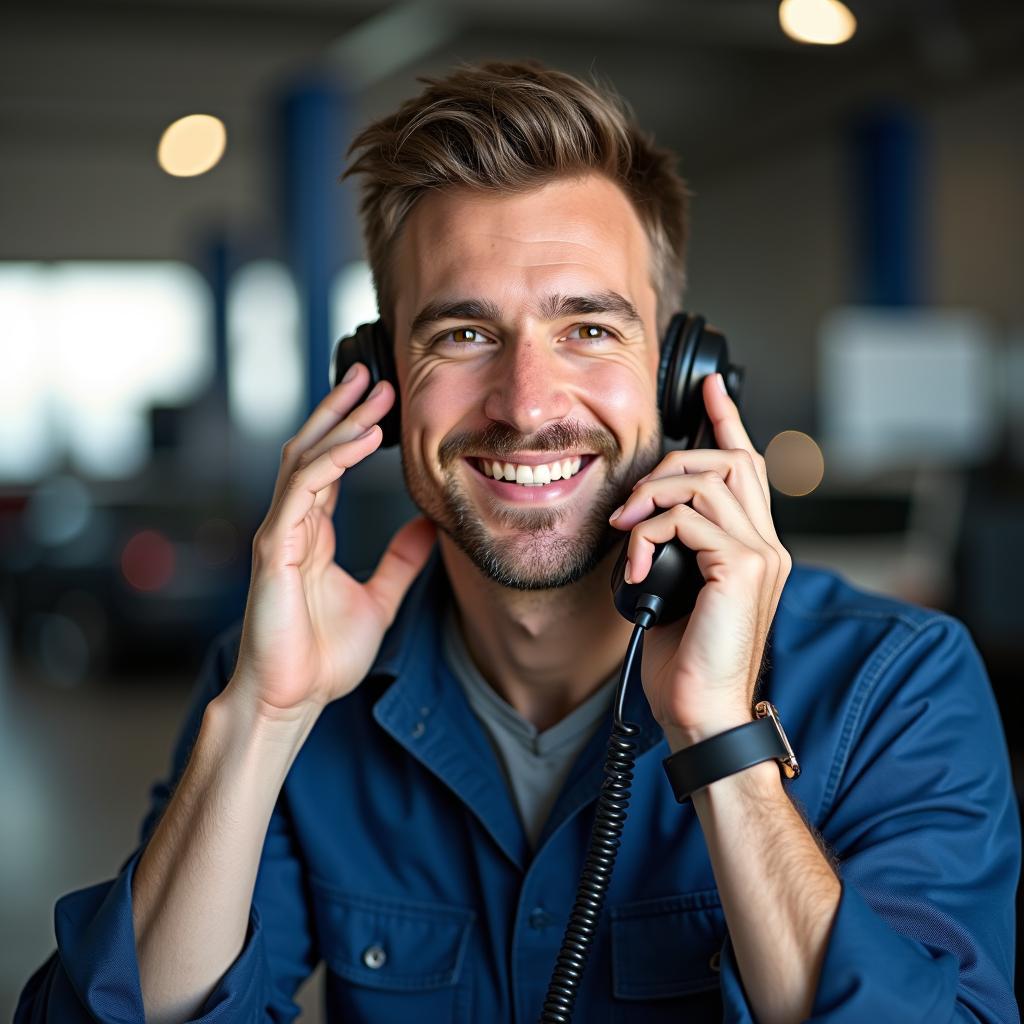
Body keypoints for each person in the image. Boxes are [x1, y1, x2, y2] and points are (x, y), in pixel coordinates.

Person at [16, 60, 1020, 1024]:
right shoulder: (290, 682)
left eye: (588, 328)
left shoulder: (896, 682)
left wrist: (722, 742)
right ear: (379, 377)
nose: (527, 405)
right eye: (462, 334)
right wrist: (262, 721)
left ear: (678, 371)